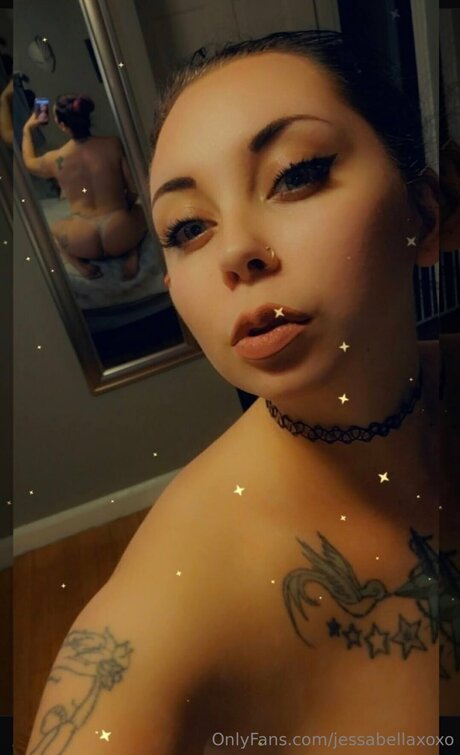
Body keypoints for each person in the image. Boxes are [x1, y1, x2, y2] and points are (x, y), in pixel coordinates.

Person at [25, 30, 454, 755]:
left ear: (425, 212)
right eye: (188, 227)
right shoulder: (170, 609)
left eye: (295, 175)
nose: (235, 251)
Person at [22, 94, 147, 281]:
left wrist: (27, 129)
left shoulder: (55, 159)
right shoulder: (113, 144)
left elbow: (28, 162)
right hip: (119, 234)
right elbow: (133, 189)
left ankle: (79, 265)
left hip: (82, 239)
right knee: (140, 211)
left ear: (62, 125)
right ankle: (132, 254)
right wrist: (124, 209)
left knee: (54, 229)